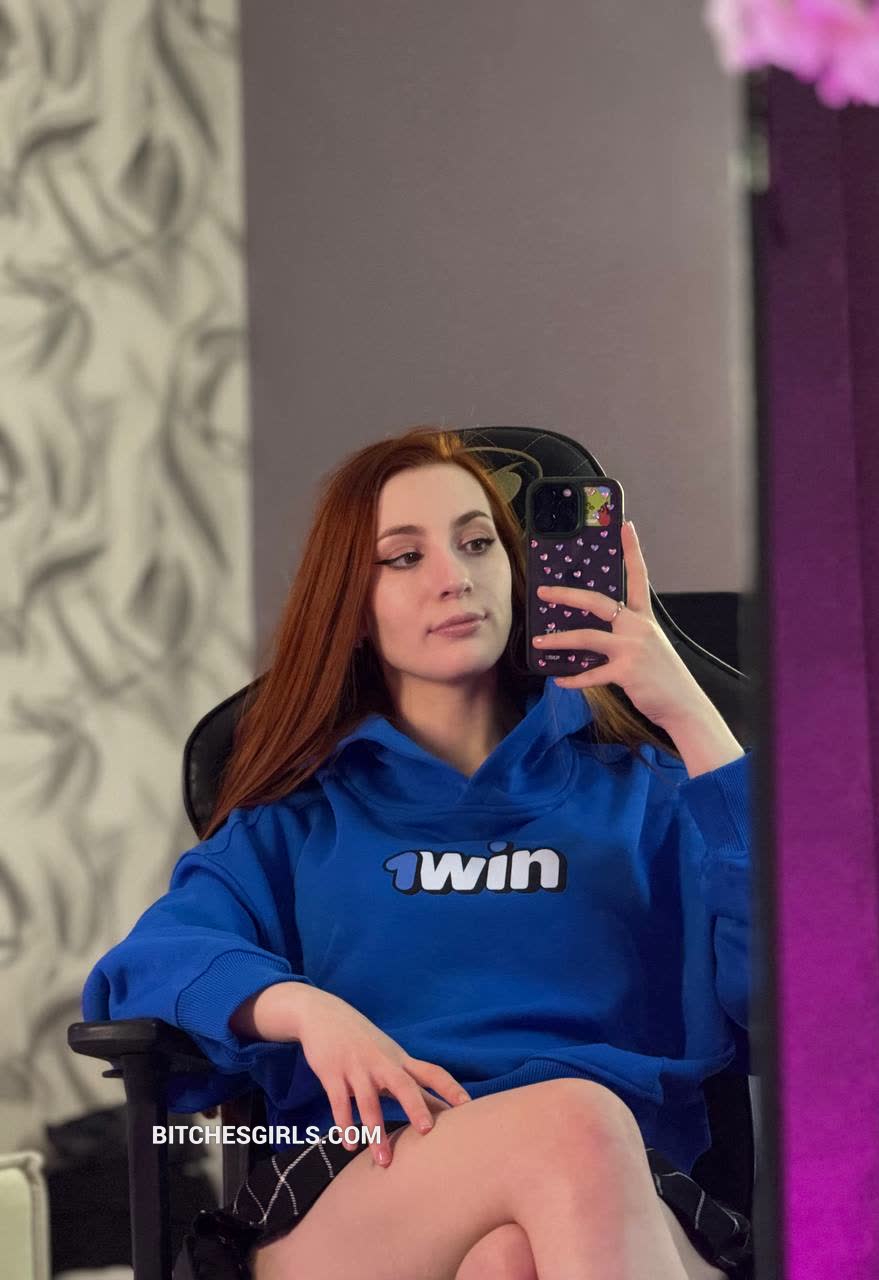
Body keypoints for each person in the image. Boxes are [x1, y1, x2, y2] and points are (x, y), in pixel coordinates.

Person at [82, 426, 755, 1280]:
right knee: (575, 1123)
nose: (455, 576)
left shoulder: (656, 797)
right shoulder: (300, 820)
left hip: (633, 1187)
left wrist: (691, 717)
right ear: (351, 608)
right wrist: (304, 1010)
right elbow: (145, 968)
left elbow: (809, 1002)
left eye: (478, 543)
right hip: (365, 1183)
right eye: (404, 557)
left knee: (510, 1257)